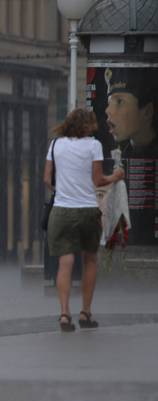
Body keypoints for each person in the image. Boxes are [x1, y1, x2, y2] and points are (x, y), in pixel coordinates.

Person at [44, 108, 125, 332]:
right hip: (87, 211)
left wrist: (63, 190)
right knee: (90, 260)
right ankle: (85, 312)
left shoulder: (55, 145)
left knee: (65, 262)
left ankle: (63, 314)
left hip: (61, 211)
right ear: (87, 125)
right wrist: (116, 176)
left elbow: (47, 179)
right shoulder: (93, 145)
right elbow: (98, 180)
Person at [105, 67, 158, 158]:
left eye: (119, 102)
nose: (108, 110)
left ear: (147, 112)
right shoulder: (124, 154)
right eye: (109, 103)